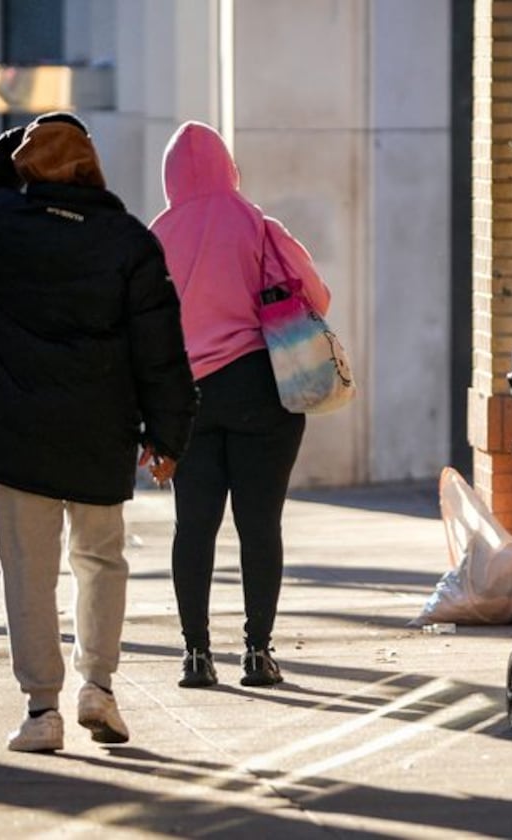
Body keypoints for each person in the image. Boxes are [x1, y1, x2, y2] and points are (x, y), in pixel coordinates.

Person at [0, 112, 198, 752]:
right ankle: (98, 687)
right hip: (99, 431)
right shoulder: (128, 241)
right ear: (91, 166)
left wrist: (7, 148)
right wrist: (168, 437)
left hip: (15, 430)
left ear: (26, 166)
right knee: (101, 560)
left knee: (28, 570)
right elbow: (160, 348)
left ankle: (41, 710)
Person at [148, 121, 332, 689]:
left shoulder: (155, 236)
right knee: (260, 525)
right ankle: (257, 653)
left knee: (193, 527)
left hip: (189, 398)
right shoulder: (257, 223)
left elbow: (144, 330)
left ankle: (196, 655)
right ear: (228, 167)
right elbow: (316, 296)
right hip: (261, 389)